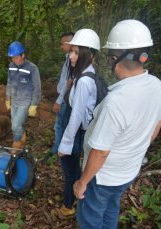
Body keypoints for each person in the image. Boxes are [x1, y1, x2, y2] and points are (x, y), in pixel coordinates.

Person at [73, 20, 161, 229]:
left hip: (102, 176)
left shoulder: (116, 102)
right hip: (127, 172)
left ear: (115, 58)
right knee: (111, 210)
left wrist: (82, 182)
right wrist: (133, 149)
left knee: (91, 220)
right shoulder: (157, 86)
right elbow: (156, 127)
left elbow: (101, 150)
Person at [57, 29, 101, 216]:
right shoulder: (86, 72)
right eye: (71, 51)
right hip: (82, 130)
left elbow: (76, 115)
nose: (71, 56)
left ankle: (68, 205)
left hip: (77, 131)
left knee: (70, 168)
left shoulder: (84, 81)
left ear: (89, 55)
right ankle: (71, 200)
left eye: (76, 52)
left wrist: (65, 144)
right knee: (73, 168)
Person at [5, 41, 41, 149]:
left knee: (15, 126)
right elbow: (9, 83)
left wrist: (34, 104)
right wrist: (7, 98)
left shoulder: (32, 68)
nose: (14, 60)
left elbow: (37, 87)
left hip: (25, 102)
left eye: (16, 57)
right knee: (15, 125)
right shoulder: (11, 65)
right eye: (12, 57)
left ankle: (16, 144)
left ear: (23, 55)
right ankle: (22, 134)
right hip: (14, 100)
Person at [51, 32, 74, 154]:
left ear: (69, 43)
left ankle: (59, 148)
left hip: (66, 98)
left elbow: (68, 82)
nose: (61, 46)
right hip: (65, 96)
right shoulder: (68, 57)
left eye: (62, 44)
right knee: (62, 123)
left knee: (60, 124)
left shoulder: (72, 60)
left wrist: (58, 101)